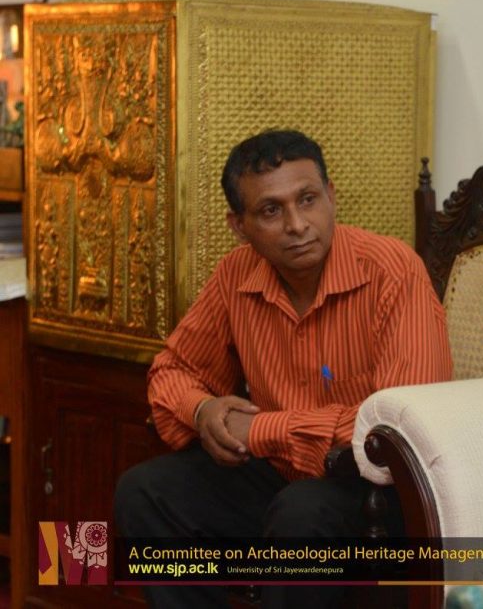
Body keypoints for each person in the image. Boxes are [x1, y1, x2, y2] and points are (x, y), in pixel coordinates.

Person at [115, 129, 453, 608]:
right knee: (145, 491)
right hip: (279, 475)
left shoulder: (392, 272)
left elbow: (398, 431)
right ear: (240, 226)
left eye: (308, 200)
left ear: (331, 196)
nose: (297, 225)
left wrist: (259, 430)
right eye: (271, 211)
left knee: (301, 513)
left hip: (377, 493)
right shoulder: (235, 275)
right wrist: (205, 411)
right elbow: (172, 371)